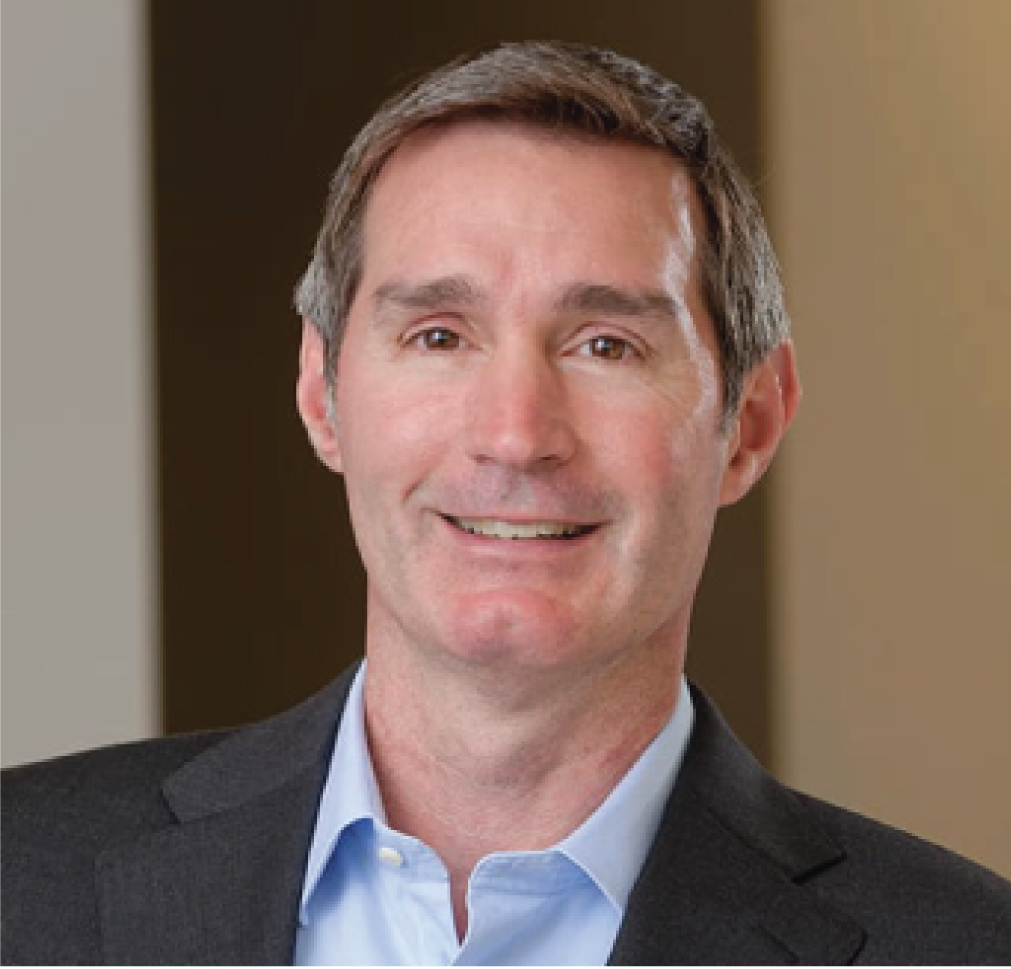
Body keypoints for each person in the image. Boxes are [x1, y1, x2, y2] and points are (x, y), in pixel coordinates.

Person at [1, 39, 1009, 968]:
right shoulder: (19, 877)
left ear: (748, 422)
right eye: (439, 335)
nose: (517, 434)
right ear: (322, 393)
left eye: (607, 346)